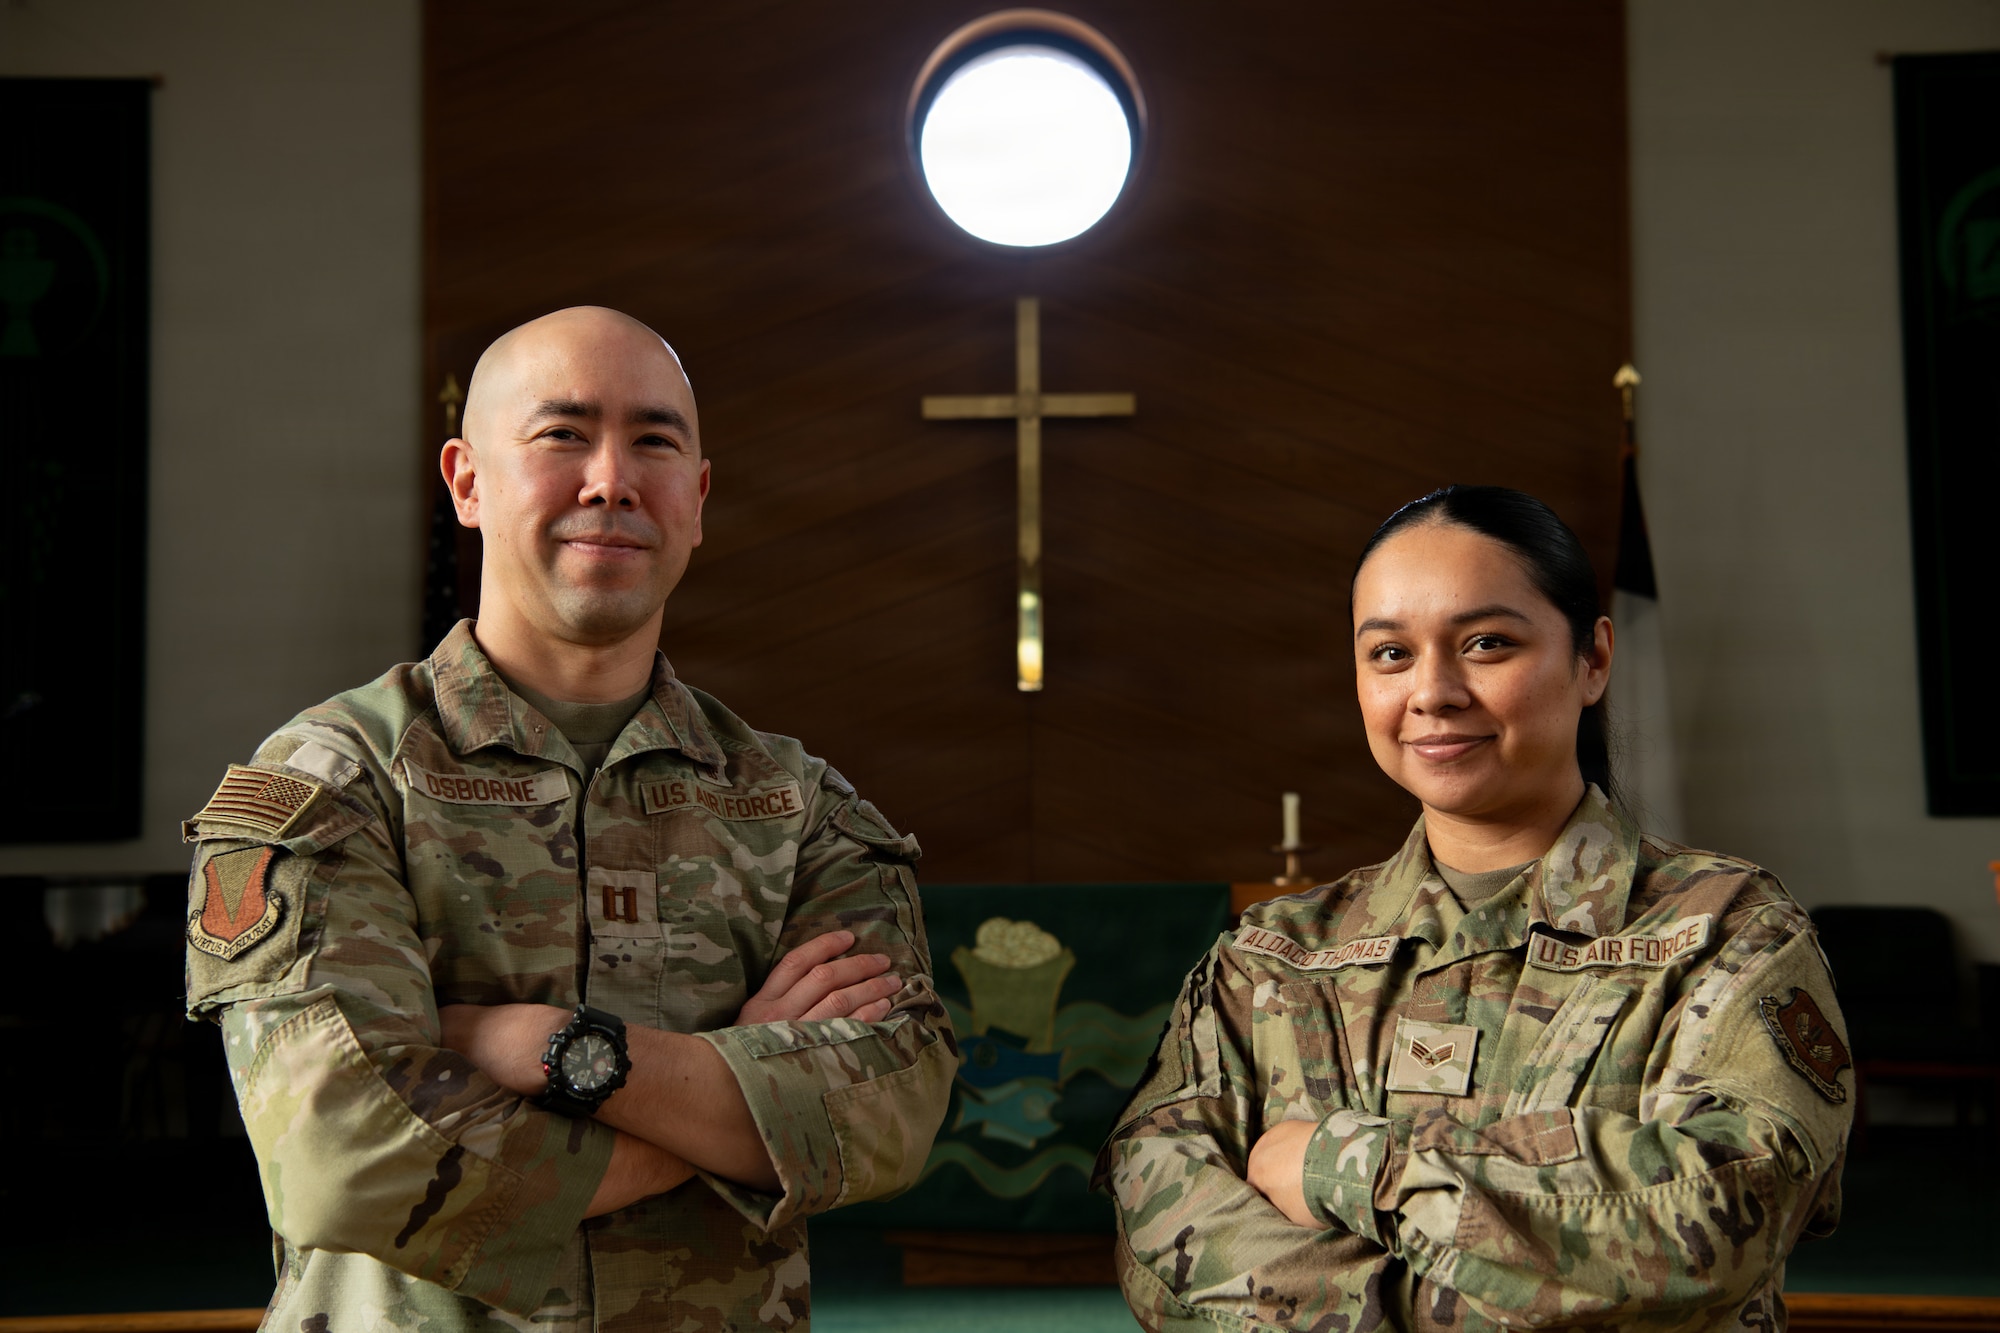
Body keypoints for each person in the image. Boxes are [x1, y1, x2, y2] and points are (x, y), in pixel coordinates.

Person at [183, 306, 956, 1331]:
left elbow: (886, 1116)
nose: (609, 479)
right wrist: (739, 1082)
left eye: (653, 440)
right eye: (562, 435)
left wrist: (557, 1047)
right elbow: (344, 1161)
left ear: (697, 498)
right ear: (465, 481)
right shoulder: (336, 781)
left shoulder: (798, 806)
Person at [1097, 485, 1851, 1332]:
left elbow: (1724, 1206)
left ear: (1593, 659)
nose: (1433, 691)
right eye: (1390, 654)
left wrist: (1345, 1167)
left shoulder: (1726, 932)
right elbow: (1159, 1207)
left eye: (1487, 643)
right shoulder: (1272, 957)